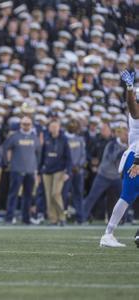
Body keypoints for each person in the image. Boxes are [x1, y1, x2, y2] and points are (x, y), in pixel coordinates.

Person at [100, 71, 139, 247]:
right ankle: (108, 234)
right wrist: (129, 88)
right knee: (126, 196)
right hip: (136, 157)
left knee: (127, 196)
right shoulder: (135, 112)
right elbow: (133, 108)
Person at [83, 123, 128, 223]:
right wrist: (126, 150)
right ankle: (82, 217)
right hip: (103, 175)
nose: (127, 137)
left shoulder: (127, 147)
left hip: (116, 177)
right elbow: (113, 158)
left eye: (127, 135)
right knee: (92, 196)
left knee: (124, 198)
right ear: (120, 135)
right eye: (125, 135)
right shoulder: (112, 144)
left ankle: (123, 218)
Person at [3, 116, 41, 224]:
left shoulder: (35, 137)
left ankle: (26, 218)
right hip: (16, 169)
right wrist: (7, 163)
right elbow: (6, 149)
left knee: (28, 196)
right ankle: (9, 217)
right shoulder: (15, 136)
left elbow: (38, 153)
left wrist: (36, 168)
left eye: (28, 124)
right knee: (13, 194)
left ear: (31, 125)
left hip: (30, 170)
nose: (26, 126)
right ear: (21, 125)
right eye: (24, 124)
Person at [40, 120, 72, 226]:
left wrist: (68, 171)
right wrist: (39, 169)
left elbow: (68, 157)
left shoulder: (64, 139)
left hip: (59, 170)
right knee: (48, 196)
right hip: (46, 170)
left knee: (55, 193)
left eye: (55, 126)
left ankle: (62, 217)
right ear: (49, 128)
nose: (53, 128)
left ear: (59, 127)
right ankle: (53, 219)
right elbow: (42, 155)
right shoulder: (46, 138)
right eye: (51, 126)